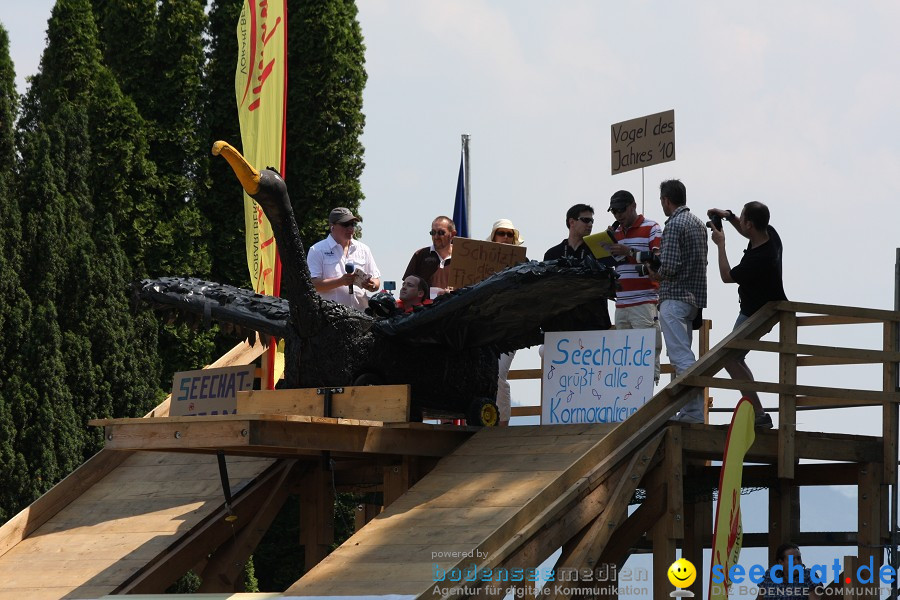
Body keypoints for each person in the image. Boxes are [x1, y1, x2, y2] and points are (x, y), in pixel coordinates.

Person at [709, 202, 786, 429]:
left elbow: (726, 276)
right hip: (759, 308)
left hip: (759, 313)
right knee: (735, 357)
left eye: (742, 218)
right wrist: (729, 216)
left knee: (729, 358)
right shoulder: (770, 234)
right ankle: (757, 412)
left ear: (750, 224)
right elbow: (746, 232)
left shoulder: (758, 260)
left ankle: (759, 414)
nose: (740, 222)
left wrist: (720, 244)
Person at [648, 180, 708, 423]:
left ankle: (693, 413)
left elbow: (669, 268)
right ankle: (688, 411)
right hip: (694, 299)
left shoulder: (673, 225)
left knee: (681, 358)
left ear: (666, 200)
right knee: (685, 354)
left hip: (674, 299)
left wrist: (652, 271)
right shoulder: (698, 223)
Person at [605, 190, 663, 383]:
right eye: (614, 211)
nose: (618, 215)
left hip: (644, 301)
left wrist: (627, 250)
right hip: (621, 304)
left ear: (633, 206)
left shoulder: (652, 227)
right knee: (625, 358)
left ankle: (648, 400)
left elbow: (658, 262)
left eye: (621, 210)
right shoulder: (616, 233)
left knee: (646, 355)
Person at [543, 203, 615, 330]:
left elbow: (610, 280)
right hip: (561, 321)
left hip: (594, 321)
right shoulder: (552, 253)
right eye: (586, 220)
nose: (590, 224)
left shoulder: (598, 249)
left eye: (592, 221)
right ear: (572, 222)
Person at [488, 219, 526, 426]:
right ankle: (487, 420)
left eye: (509, 234)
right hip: (484, 328)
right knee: (485, 374)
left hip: (509, 329)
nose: (505, 237)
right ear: (493, 237)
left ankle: (502, 423)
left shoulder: (523, 263)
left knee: (498, 373)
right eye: (501, 233)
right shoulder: (479, 262)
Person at [307, 207, 381, 311]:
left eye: (352, 224)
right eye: (345, 224)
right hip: (331, 317)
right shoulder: (317, 250)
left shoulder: (364, 249)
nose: (350, 228)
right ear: (332, 226)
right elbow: (312, 285)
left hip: (361, 315)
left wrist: (371, 285)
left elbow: (376, 280)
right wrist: (341, 281)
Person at [403, 216, 456, 298]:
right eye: (433, 232)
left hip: (457, 308)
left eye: (441, 233)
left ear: (452, 234)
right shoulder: (420, 255)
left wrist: (452, 293)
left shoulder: (463, 258)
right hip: (425, 309)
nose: (436, 237)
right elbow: (407, 287)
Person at [757, 543, 823, 599]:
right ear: (781, 562)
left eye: (799, 558)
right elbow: (760, 598)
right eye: (792, 559)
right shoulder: (770, 575)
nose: (797, 562)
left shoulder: (808, 575)